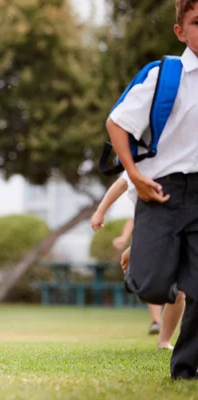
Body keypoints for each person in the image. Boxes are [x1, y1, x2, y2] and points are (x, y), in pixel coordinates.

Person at [105, 0, 198, 378]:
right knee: (152, 284)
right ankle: (141, 257)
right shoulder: (166, 75)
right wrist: (134, 174)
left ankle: (187, 369)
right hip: (162, 190)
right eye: (197, 22)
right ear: (180, 31)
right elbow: (117, 123)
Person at [91, 175, 185, 349]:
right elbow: (121, 184)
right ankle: (158, 326)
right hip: (157, 229)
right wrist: (100, 211)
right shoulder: (143, 163)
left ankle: (164, 340)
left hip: (182, 225)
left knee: (181, 290)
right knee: (165, 287)